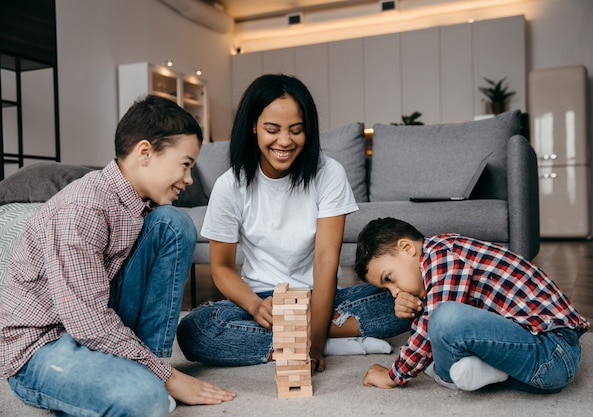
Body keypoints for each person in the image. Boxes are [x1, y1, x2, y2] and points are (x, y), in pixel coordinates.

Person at [0, 95, 236, 417]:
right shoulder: (83, 209)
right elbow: (89, 324)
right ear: (144, 152)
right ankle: (144, 378)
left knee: (173, 224)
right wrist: (168, 378)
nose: (189, 179)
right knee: (143, 400)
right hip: (41, 345)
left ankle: (146, 366)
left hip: (88, 325)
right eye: (185, 164)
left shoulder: (138, 201)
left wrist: (157, 369)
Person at [176, 74, 410, 372]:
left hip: (321, 297)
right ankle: (333, 339)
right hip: (265, 301)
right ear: (253, 127)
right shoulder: (230, 185)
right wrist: (255, 306)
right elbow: (221, 267)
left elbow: (326, 262)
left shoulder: (329, 173)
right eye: (272, 130)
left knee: (406, 300)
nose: (285, 141)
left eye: (296, 130)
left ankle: (303, 339)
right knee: (196, 329)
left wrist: (312, 346)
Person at [354, 217, 589, 393]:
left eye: (389, 279)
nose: (395, 292)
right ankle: (490, 372)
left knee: (444, 317)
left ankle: (444, 374)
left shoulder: (441, 255)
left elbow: (433, 324)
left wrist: (394, 375)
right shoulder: (443, 257)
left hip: (550, 350)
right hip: (542, 373)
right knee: (443, 322)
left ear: (407, 248)